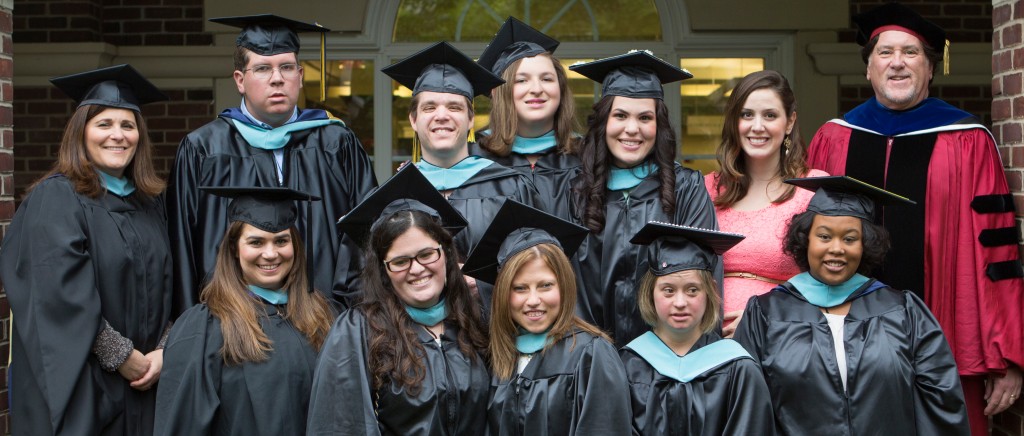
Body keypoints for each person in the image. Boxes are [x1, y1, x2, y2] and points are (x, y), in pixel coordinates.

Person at [805, 3, 1023, 430]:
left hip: (947, 341)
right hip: (842, 347)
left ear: (930, 67)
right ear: (868, 68)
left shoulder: (968, 141)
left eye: (911, 52)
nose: (898, 62)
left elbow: (996, 255)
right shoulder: (835, 138)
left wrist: (1005, 354)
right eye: (885, 52)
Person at [0, 65, 170, 436]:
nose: (118, 135)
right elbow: (56, 296)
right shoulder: (57, 198)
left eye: (128, 125)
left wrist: (164, 351)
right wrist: (121, 356)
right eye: (104, 124)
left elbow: (173, 285)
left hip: (148, 389)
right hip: (89, 391)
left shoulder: (151, 204)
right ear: (81, 132)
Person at [167, 14, 377, 314]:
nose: (277, 78)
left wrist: (354, 318)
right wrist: (193, 329)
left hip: (327, 320)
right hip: (231, 327)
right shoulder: (203, 149)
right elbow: (183, 248)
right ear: (240, 80)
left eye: (286, 67)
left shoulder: (336, 143)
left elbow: (366, 237)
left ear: (300, 76)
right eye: (263, 68)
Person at [733, 176, 969, 434]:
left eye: (849, 239)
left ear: (864, 246)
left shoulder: (903, 310)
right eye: (824, 236)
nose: (837, 248)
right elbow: (749, 406)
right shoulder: (766, 313)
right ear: (806, 240)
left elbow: (940, 399)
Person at [308, 165, 490, 434]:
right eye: (400, 261)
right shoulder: (358, 332)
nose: (417, 269)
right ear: (383, 270)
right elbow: (342, 425)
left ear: (446, 255)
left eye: (427, 254)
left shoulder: (473, 322)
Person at [155, 187, 335, 435]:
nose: (271, 254)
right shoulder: (205, 328)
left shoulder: (322, 316)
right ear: (233, 249)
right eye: (256, 242)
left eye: (281, 241)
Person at [568, 50, 719, 345]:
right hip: (590, 358)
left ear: (658, 126)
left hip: (669, 359)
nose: (632, 129)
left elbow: (701, 279)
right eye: (620, 115)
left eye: (645, 118)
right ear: (603, 122)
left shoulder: (686, 189)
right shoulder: (575, 193)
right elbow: (567, 284)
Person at [382, 41, 539, 309]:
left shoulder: (510, 187)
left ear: (470, 119)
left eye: (454, 107)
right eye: (429, 107)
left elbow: (536, 265)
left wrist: (486, 284)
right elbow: (372, 276)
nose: (441, 116)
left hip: (492, 338)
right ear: (413, 120)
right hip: (413, 342)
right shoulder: (394, 194)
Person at [461, 200, 631, 435]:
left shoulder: (591, 355)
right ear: (502, 294)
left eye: (545, 286)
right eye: (519, 288)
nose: (533, 300)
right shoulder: (500, 356)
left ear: (564, 286)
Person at [704, 70, 827, 337]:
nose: (757, 126)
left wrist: (765, 318)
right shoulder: (706, 189)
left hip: (784, 338)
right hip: (705, 341)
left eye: (769, 115)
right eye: (746, 114)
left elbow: (832, 279)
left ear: (789, 122)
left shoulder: (814, 189)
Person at [622, 222, 774, 435]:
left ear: (710, 291)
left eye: (692, 290)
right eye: (668, 290)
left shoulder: (739, 370)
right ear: (650, 293)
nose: (680, 302)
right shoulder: (628, 366)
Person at [474, 16, 581, 219]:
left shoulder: (587, 158)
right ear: (498, 92)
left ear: (560, 89)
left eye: (547, 79)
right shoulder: (475, 160)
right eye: (521, 80)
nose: (537, 89)